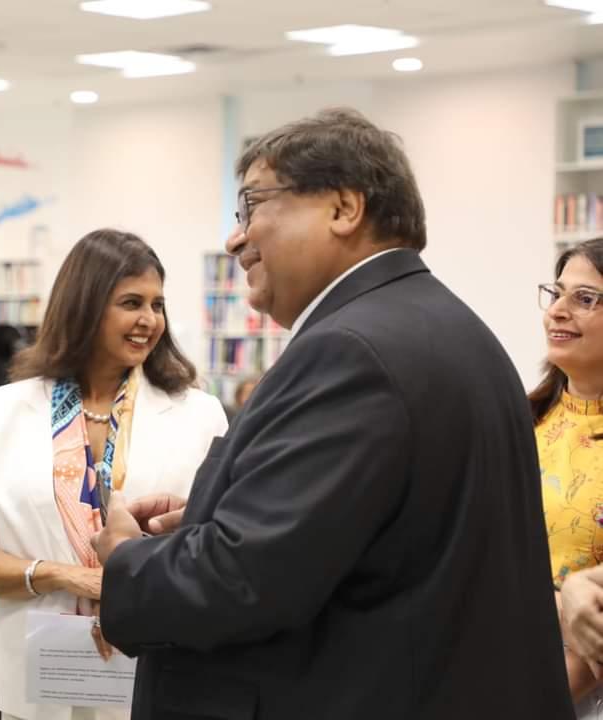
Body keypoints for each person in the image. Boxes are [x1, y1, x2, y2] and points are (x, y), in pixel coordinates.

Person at [91, 108, 573, 719]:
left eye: (251, 207)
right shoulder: (447, 327)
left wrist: (127, 559)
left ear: (344, 209)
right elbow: (377, 532)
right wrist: (224, 512)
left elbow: (244, 580)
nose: (236, 240)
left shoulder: (348, 352)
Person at [0, 228, 227, 720]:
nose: (149, 320)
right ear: (84, 306)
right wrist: (67, 577)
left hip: (155, 673)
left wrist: (130, 585)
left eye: (157, 304)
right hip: (33, 685)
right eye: (131, 303)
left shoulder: (200, 414)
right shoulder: (4, 411)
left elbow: (218, 549)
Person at [527, 238, 603, 715]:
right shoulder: (520, 421)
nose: (557, 310)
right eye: (556, 293)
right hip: (494, 659)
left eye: (585, 298)